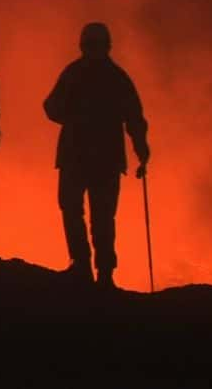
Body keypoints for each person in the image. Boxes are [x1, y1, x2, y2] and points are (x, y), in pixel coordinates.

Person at [44, 22, 150, 289]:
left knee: (77, 211)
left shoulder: (74, 73)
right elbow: (134, 118)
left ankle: (85, 268)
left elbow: (51, 107)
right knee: (98, 215)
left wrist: (72, 118)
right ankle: (100, 273)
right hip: (104, 158)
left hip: (76, 155)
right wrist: (141, 149)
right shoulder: (117, 77)